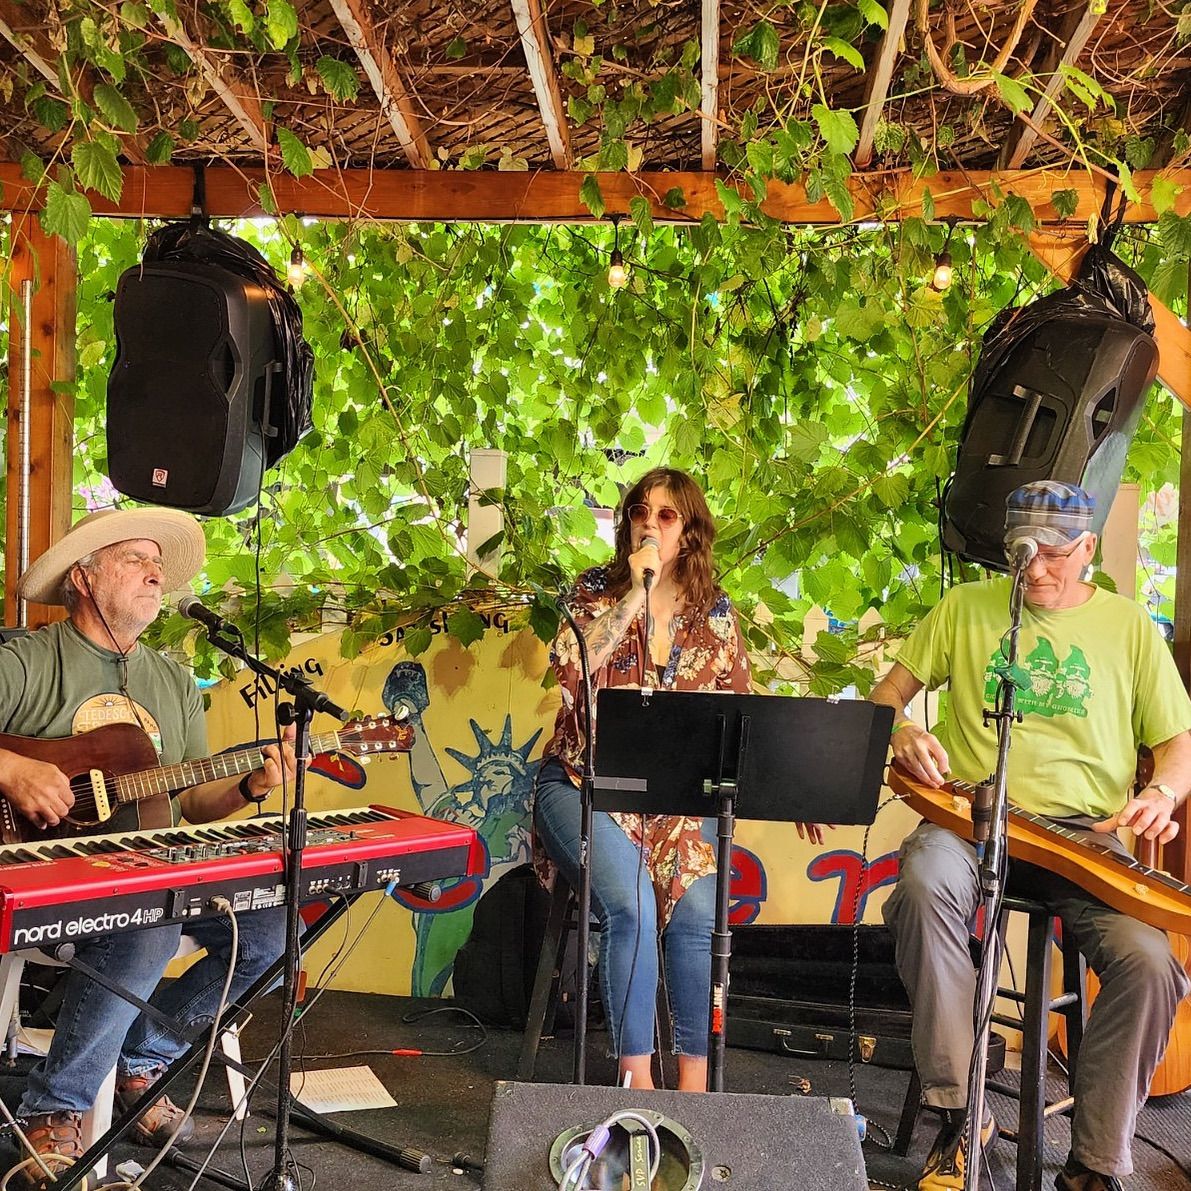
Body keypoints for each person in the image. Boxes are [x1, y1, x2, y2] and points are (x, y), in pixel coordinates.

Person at [869, 481, 1191, 1191]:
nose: (1036, 570)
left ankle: (1093, 1162)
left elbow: (1177, 744)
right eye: (1022, 556)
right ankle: (961, 1115)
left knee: (1150, 961)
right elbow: (883, 696)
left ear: (1087, 550)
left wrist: (1160, 792)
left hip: (1084, 839)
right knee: (920, 886)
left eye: (1052, 555)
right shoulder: (963, 609)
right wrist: (901, 728)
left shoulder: (1128, 626)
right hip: (971, 820)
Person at [0, 507, 295, 1181]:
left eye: (157, 562)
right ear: (82, 576)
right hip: (41, 873)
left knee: (271, 927)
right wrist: (12, 769)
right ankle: (56, 1108)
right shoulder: (27, 660)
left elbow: (190, 802)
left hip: (147, 868)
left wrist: (249, 784)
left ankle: (142, 1057)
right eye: (135, 557)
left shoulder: (171, 680)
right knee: (147, 929)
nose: (155, 570)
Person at [535, 467, 820, 1092]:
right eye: (640, 510)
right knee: (632, 906)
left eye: (666, 515)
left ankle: (695, 1090)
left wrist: (793, 785)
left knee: (696, 912)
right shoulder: (591, 591)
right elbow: (570, 668)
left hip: (674, 804)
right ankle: (637, 1081)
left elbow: (740, 717)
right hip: (583, 787)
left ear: (689, 532)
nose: (649, 522)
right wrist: (635, 592)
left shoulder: (716, 615)